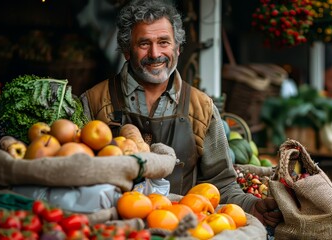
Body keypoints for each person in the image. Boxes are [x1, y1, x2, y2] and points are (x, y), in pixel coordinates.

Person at [80, 0, 282, 229]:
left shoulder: (201, 107)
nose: (155, 53)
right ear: (127, 51)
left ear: (177, 48)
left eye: (163, 42)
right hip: (114, 229)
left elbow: (222, 185)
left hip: (182, 228)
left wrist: (253, 206)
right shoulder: (94, 101)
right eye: (144, 43)